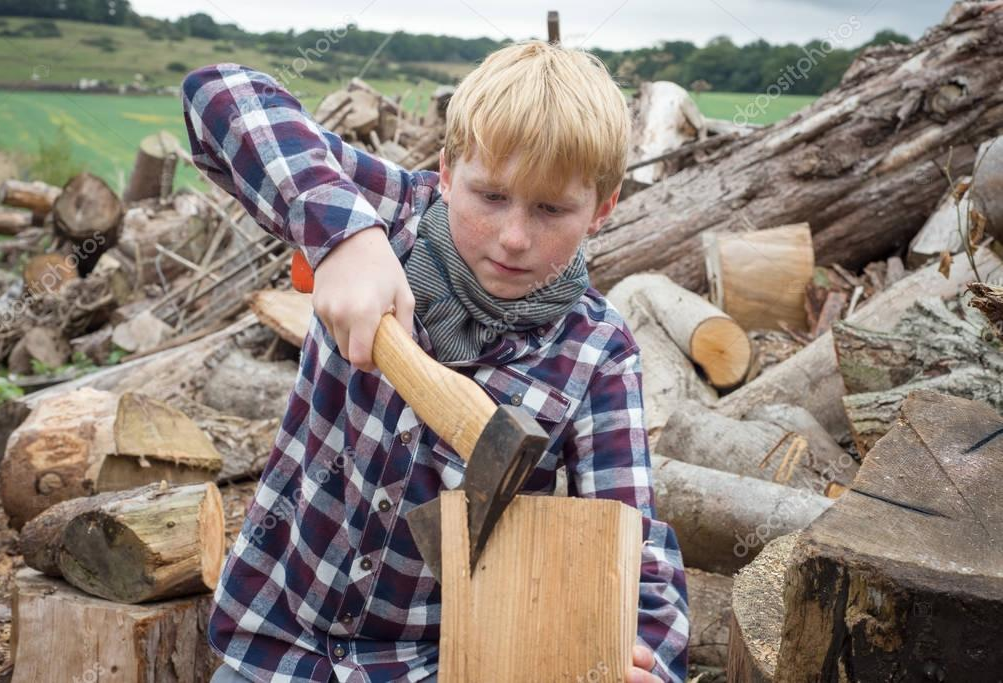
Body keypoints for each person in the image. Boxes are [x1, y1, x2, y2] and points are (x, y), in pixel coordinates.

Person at [181, 39, 689, 683]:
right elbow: (219, 96)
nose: (513, 237)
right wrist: (344, 237)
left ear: (603, 209)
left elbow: (633, 546)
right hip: (274, 641)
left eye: (552, 209)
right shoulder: (386, 216)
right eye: (490, 196)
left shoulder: (597, 356)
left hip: (430, 666)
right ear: (447, 172)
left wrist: (647, 661)